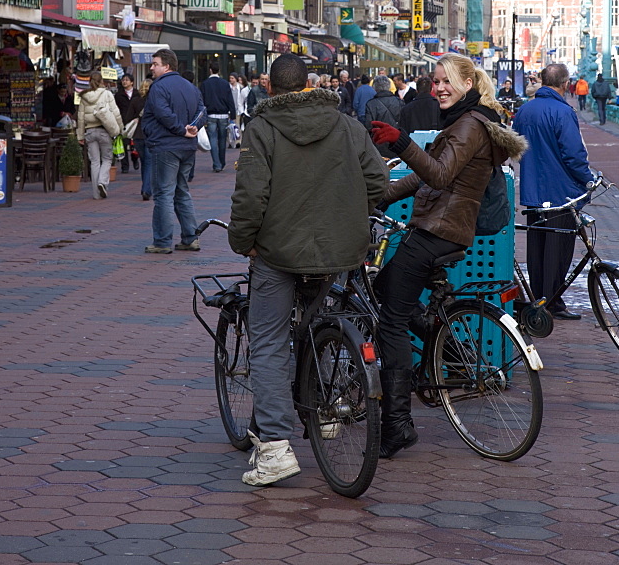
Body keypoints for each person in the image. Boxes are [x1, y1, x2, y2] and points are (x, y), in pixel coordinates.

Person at [228, 52, 389, 486]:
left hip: (278, 252)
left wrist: (244, 243)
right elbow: (378, 183)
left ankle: (276, 449)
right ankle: (328, 410)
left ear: (269, 87)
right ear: (308, 85)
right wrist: (350, 219)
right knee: (326, 319)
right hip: (340, 250)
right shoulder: (347, 125)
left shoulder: (261, 129)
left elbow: (250, 198)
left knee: (268, 342)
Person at [369, 53, 527, 458]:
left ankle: (398, 425)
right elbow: (428, 176)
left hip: (438, 232)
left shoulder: (470, 124)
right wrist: (380, 196)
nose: (438, 87)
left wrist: (400, 141)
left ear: (468, 83)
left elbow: (439, 174)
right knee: (387, 288)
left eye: (446, 81)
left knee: (391, 322)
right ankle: (455, 357)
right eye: (434, 81)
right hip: (443, 229)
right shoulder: (468, 120)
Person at [513, 62, 593, 320]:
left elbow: (515, 146)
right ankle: (553, 303)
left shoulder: (524, 111)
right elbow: (573, 154)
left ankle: (539, 300)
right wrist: (587, 179)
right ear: (565, 84)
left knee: (537, 249)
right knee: (558, 252)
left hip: (533, 191)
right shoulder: (562, 112)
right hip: (561, 193)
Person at [142, 49, 205, 254]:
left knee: (163, 194)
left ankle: (162, 241)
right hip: (186, 147)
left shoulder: (158, 87)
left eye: (155, 64)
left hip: (166, 145)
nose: (151, 67)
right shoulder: (191, 87)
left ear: (166, 66)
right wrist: (193, 127)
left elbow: (163, 113)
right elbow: (202, 110)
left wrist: (181, 130)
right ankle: (190, 237)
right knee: (182, 192)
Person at [76, 71, 125, 200]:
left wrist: (80, 136)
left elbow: (80, 117)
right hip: (104, 131)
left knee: (94, 162)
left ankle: (95, 194)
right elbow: (116, 113)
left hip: (90, 132)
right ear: (102, 80)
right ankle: (102, 182)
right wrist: (120, 129)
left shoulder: (84, 96)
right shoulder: (107, 94)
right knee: (107, 159)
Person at [200, 62, 236, 172]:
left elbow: (202, 101)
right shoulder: (225, 83)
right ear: (218, 70)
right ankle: (222, 161)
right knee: (222, 139)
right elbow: (230, 100)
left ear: (210, 70)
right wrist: (233, 115)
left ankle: (216, 164)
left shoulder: (205, 84)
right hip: (224, 115)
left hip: (211, 114)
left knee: (213, 139)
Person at [364, 75, 404, 155]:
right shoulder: (399, 102)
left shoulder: (371, 104)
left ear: (375, 88)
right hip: (397, 142)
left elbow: (368, 126)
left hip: (379, 141)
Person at [114, 74, 143, 173]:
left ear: (132, 82)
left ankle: (135, 159)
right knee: (124, 143)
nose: (124, 82)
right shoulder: (118, 95)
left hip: (135, 122)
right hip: (123, 121)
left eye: (126, 80)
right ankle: (124, 166)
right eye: (123, 80)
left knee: (134, 144)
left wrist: (138, 118)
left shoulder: (137, 94)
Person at [133, 79, 153, 201]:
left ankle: (145, 187)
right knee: (149, 163)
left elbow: (128, 117)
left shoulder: (135, 101)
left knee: (144, 162)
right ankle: (146, 189)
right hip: (150, 134)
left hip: (138, 135)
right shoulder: (154, 101)